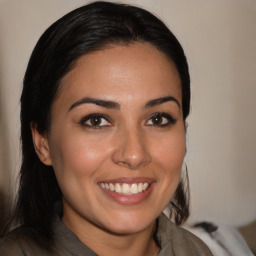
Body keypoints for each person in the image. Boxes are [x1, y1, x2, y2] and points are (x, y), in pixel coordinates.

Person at [0, 1, 213, 255]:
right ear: (42, 141)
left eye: (157, 119)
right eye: (96, 120)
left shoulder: (195, 250)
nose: (134, 155)